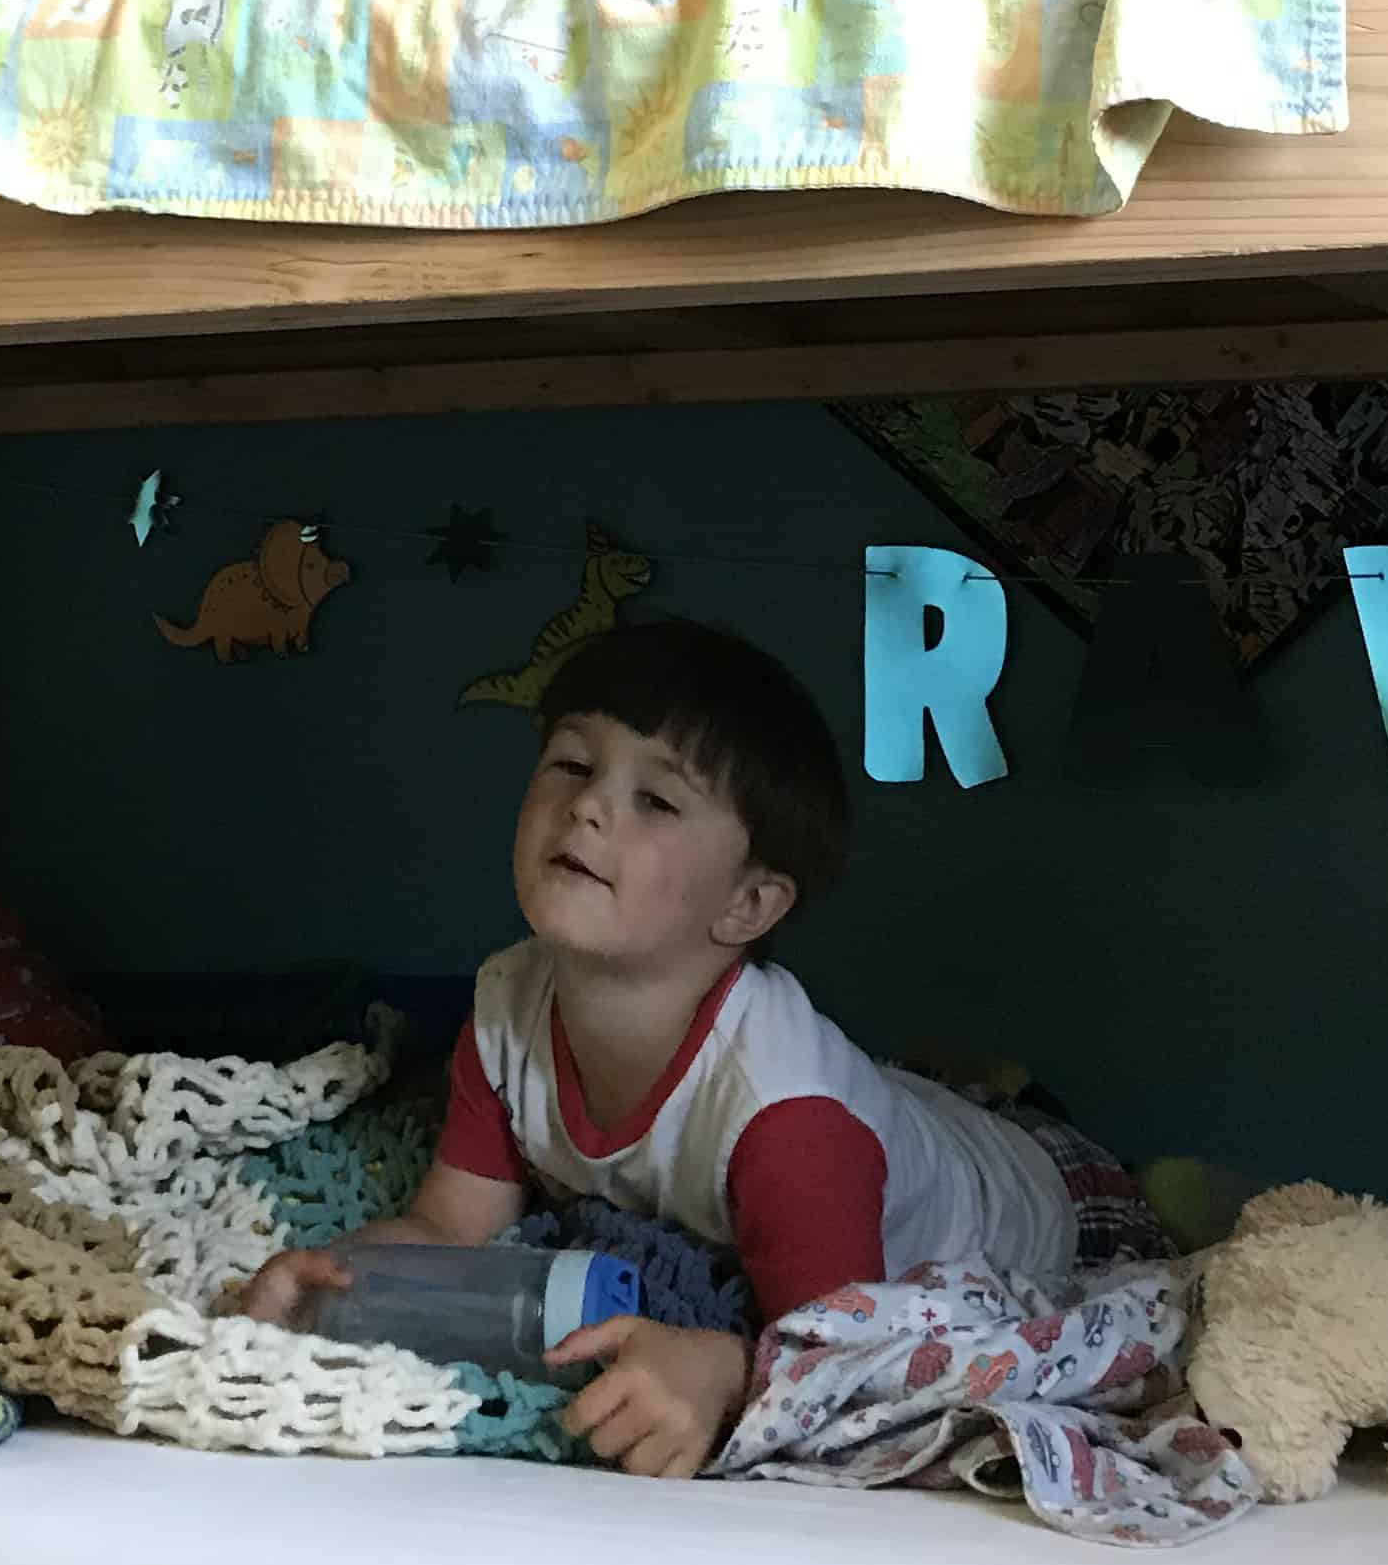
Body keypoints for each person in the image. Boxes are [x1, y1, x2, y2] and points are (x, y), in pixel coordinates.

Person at [234, 618, 1149, 1477]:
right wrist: (334, 1277)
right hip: (896, 1113)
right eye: (570, 763)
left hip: (1045, 1194)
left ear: (746, 906)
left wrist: (720, 1369)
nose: (588, 805)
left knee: (1116, 1187)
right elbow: (447, 1227)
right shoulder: (508, 1003)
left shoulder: (785, 1122)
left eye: (655, 799)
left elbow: (842, 1356)